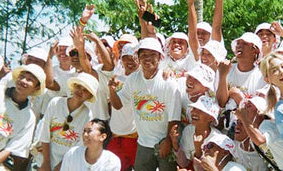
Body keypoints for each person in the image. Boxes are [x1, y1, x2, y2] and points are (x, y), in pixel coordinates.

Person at [109, 37, 181, 171]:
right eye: (143, 55)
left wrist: (168, 141)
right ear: (138, 58)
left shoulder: (169, 82)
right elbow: (118, 105)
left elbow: (174, 118)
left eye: (153, 54)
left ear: (160, 57)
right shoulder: (133, 80)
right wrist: (112, 91)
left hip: (164, 143)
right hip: (143, 144)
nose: (148, 58)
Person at [39, 73, 98, 171]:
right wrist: (46, 163)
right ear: (73, 86)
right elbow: (45, 133)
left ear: (89, 96)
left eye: (85, 90)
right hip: (46, 156)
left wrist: (60, 166)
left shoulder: (88, 115)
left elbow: (79, 145)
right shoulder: (55, 103)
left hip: (68, 163)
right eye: (78, 86)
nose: (80, 91)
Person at [106, 43, 139, 171]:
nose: (130, 61)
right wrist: (111, 89)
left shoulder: (141, 79)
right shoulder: (115, 79)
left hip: (134, 136)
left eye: (133, 58)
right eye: (126, 57)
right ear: (121, 59)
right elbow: (113, 106)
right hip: (115, 135)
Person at [171, 96, 222, 169]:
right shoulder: (188, 131)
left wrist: (198, 150)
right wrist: (175, 144)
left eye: (200, 110)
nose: (193, 112)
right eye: (194, 108)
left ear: (210, 118)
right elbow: (184, 164)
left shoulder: (217, 138)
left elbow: (210, 168)